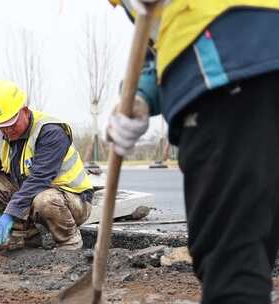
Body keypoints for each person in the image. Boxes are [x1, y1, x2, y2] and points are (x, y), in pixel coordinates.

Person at [106, 0, 279, 303]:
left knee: (231, 262)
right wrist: (140, 96)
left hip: (228, 70)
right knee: (254, 246)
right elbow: (156, 47)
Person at [0, 80, 94, 250]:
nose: (7, 131)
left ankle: (69, 244)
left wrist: (9, 214)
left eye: (11, 124)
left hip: (74, 201)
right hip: (36, 196)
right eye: (1, 126)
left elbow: (39, 179)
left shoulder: (50, 132)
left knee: (45, 199)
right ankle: (23, 238)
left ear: (24, 111)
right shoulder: (0, 137)